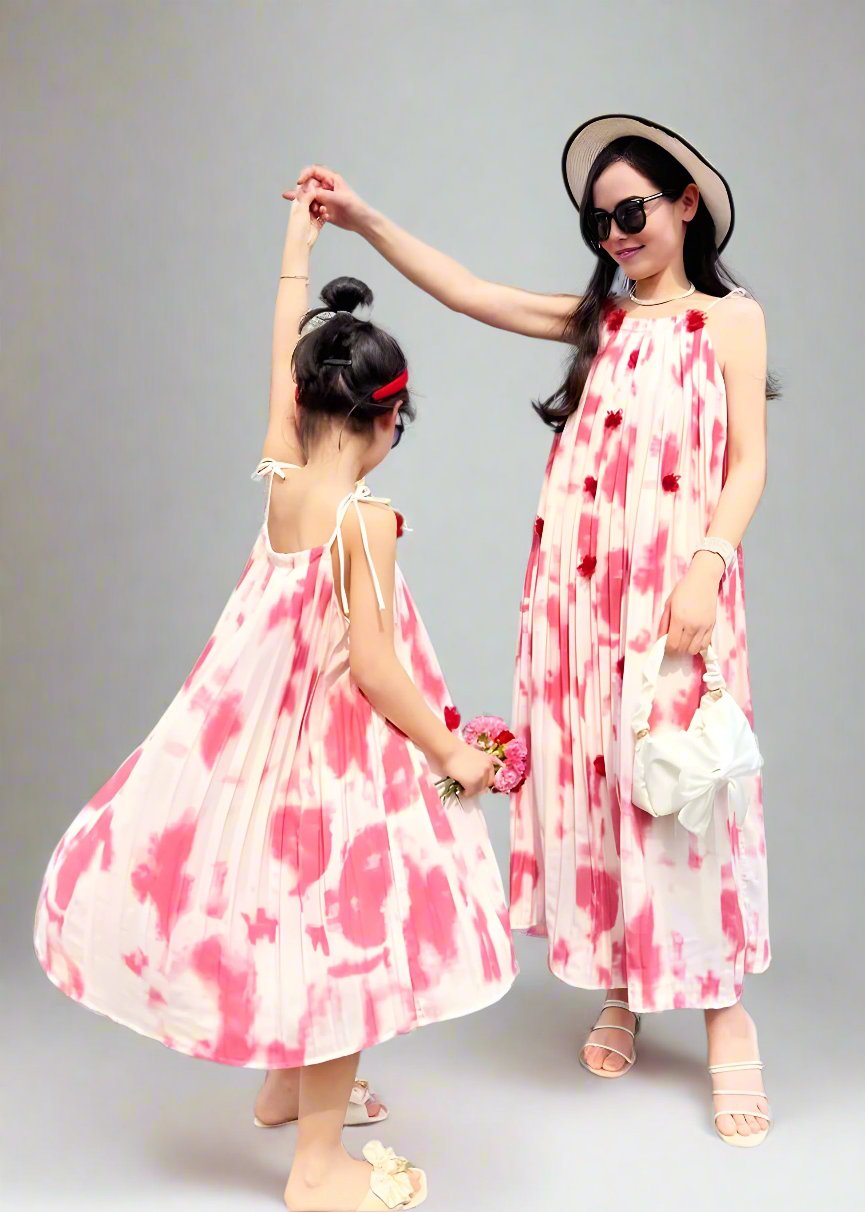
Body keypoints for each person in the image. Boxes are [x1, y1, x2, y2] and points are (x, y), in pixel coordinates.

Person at [292, 112, 775, 1147]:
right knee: (604, 781)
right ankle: (625, 985)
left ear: (686, 203)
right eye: (598, 221)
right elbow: (468, 290)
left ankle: (724, 1018)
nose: (615, 235)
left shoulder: (731, 322)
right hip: (581, 596)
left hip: (677, 596)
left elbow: (746, 464)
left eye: (633, 211)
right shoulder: (599, 322)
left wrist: (707, 565)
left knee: (683, 789)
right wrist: (367, 220)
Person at [33, 183, 518, 1209]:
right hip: (333, 760)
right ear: (389, 424)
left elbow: (277, 360)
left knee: (287, 914)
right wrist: (454, 752)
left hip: (261, 746)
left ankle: (279, 1092)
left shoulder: (285, 477)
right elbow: (378, 669)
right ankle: (317, 1166)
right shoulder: (367, 521)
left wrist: (294, 250)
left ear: (305, 405)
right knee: (345, 939)